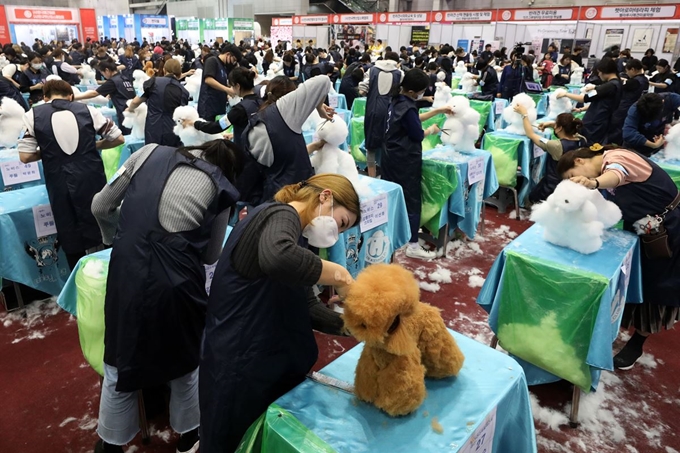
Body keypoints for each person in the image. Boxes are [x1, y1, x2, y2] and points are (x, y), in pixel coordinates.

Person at [90, 139, 242, 453]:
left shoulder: (145, 153)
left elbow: (100, 206)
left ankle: (110, 445)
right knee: (184, 359)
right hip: (178, 280)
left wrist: (122, 237)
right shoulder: (221, 186)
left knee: (120, 357)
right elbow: (211, 255)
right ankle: (189, 438)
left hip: (126, 270)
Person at [199, 173, 360, 452]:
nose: (337, 234)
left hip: (264, 363)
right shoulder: (279, 216)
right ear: (325, 197)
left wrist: (354, 326)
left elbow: (305, 304)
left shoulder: (295, 237)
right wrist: (341, 275)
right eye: (342, 223)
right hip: (240, 366)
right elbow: (277, 257)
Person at [558, 146, 680, 370]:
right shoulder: (601, 175)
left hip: (666, 231)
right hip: (640, 228)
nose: (578, 181)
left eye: (573, 177)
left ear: (578, 161)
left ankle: (637, 343)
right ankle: (616, 324)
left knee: (658, 288)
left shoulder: (616, 158)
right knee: (632, 277)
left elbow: (616, 175)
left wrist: (594, 183)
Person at [17, 79, 124, 269]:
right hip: (91, 175)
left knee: (69, 227)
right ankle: (110, 270)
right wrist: (94, 145)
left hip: (59, 179)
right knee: (100, 220)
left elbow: (25, 156)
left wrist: (49, 152)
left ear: (45, 98)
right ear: (71, 96)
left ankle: (78, 277)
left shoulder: (32, 115)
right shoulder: (89, 110)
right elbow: (118, 138)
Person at [383, 69, 453, 260]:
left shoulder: (397, 100)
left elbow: (411, 120)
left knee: (394, 198)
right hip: (405, 161)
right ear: (414, 92)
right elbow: (417, 133)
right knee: (412, 201)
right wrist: (431, 130)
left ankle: (392, 235)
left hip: (391, 158)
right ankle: (412, 244)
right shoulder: (408, 106)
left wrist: (438, 110)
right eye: (422, 91)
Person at [241, 75, 334, 205]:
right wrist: (318, 106)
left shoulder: (257, 120)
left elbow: (281, 160)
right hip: (294, 197)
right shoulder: (285, 110)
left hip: (269, 197)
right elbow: (323, 80)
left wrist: (313, 147)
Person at [514, 105, 587, 202]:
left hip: (551, 189)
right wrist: (550, 125)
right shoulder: (581, 139)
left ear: (560, 128)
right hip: (570, 186)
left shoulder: (556, 146)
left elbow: (530, 134)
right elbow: (565, 128)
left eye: (556, 124)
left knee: (531, 199)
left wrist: (524, 114)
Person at [556, 58, 621, 145]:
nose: (598, 74)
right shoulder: (617, 84)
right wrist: (581, 109)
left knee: (589, 145)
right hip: (603, 120)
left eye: (599, 72)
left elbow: (585, 98)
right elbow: (602, 102)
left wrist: (566, 94)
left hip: (596, 123)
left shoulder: (609, 86)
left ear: (604, 71)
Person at [127, 58, 189, 146]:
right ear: (179, 72)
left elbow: (135, 102)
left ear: (164, 70)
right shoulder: (184, 91)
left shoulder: (152, 82)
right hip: (173, 131)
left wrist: (130, 109)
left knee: (152, 155)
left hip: (153, 128)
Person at [360, 51, 403, 178]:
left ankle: (372, 177)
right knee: (389, 144)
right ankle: (386, 176)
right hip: (391, 112)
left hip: (373, 111)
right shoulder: (400, 74)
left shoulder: (372, 70)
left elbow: (362, 90)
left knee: (371, 146)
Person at [74, 61, 136, 136]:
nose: (103, 75)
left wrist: (75, 97)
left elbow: (94, 93)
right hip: (133, 109)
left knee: (127, 134)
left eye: (102, 73)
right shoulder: (124, 78)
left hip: (123, 111)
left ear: (107, 70)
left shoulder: (112, 81)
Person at [622, 92, 680, 157]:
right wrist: (653, 145)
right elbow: (628, 134)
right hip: (635, 148)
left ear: (663, 102)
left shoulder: (671, 99)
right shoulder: (636, 109)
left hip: (657, 145)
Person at [608, 59, 649, 145]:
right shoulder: (645, 80)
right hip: (635, 107)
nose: (627, 73)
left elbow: (620, 88)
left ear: (633, 69)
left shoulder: (634, 82)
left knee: (616, 129)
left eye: (627, 71)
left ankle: (612, 146)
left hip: (624, 108)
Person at [197, 43, 242, 121]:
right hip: (208, 107)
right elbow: (208, 80)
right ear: (228, 54)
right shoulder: (212, 61)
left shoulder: (224, 67)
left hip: (218, 106)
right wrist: (227, 90)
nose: (233, 63)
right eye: (233, 60)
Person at [224, 67, 263, 148]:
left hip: (244, 151)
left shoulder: (240, 109)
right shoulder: (261, 101)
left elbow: (219, 126)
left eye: (232, 86)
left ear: (238, 86)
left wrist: (197, 124)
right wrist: (233, 135)